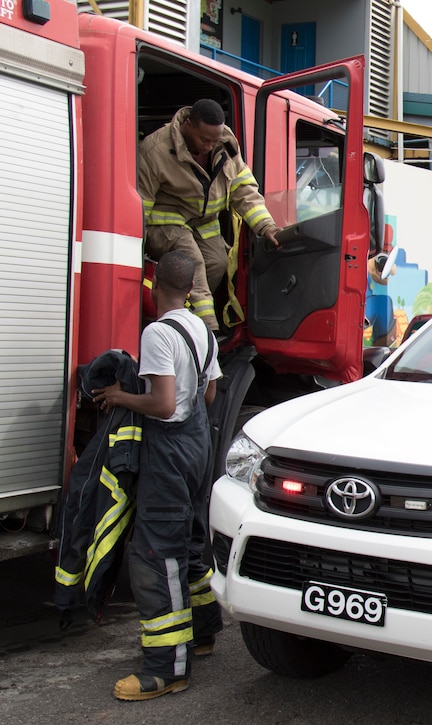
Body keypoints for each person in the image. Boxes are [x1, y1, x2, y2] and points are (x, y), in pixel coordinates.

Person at [92, 250, 224, 700]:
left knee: (153, 555)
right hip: (198, 447)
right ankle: (203, 632)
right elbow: (207, 396)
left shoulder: (158, 333)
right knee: (188, 541)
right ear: (190, 289)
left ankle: (165, 669)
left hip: (168, 451)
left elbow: (164, 405)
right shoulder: (203, 330)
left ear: (152, 284)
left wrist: (118, 395)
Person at [138, 99, 282, 332]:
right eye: (204, 140)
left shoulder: (224, 144)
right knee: (192, 262)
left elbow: (243, 188)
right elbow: (141, 202)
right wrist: (134, 248)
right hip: (166, 223)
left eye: (214, 140)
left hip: (203, 223)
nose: (209, 146)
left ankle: (180, 315)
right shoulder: (156, 149)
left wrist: (267, 226)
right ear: (187, 126)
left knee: (217, 264)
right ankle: (205, 333)